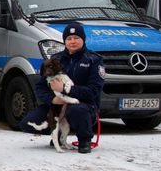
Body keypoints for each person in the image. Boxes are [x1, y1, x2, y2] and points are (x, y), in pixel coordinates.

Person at [19, 22, 105, 153]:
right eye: (69, 39)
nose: (72, 42)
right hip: (57, 104)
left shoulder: (94, 60)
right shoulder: (56, 59)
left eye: (76, 38)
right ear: (64, 41)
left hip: (84, 105)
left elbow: (93, 91)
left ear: (83, 39)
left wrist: (64, 89)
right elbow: (40, 87)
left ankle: (84, 139)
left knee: (76, 111)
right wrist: (52, 100)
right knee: (27, 123)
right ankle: (57, 135)